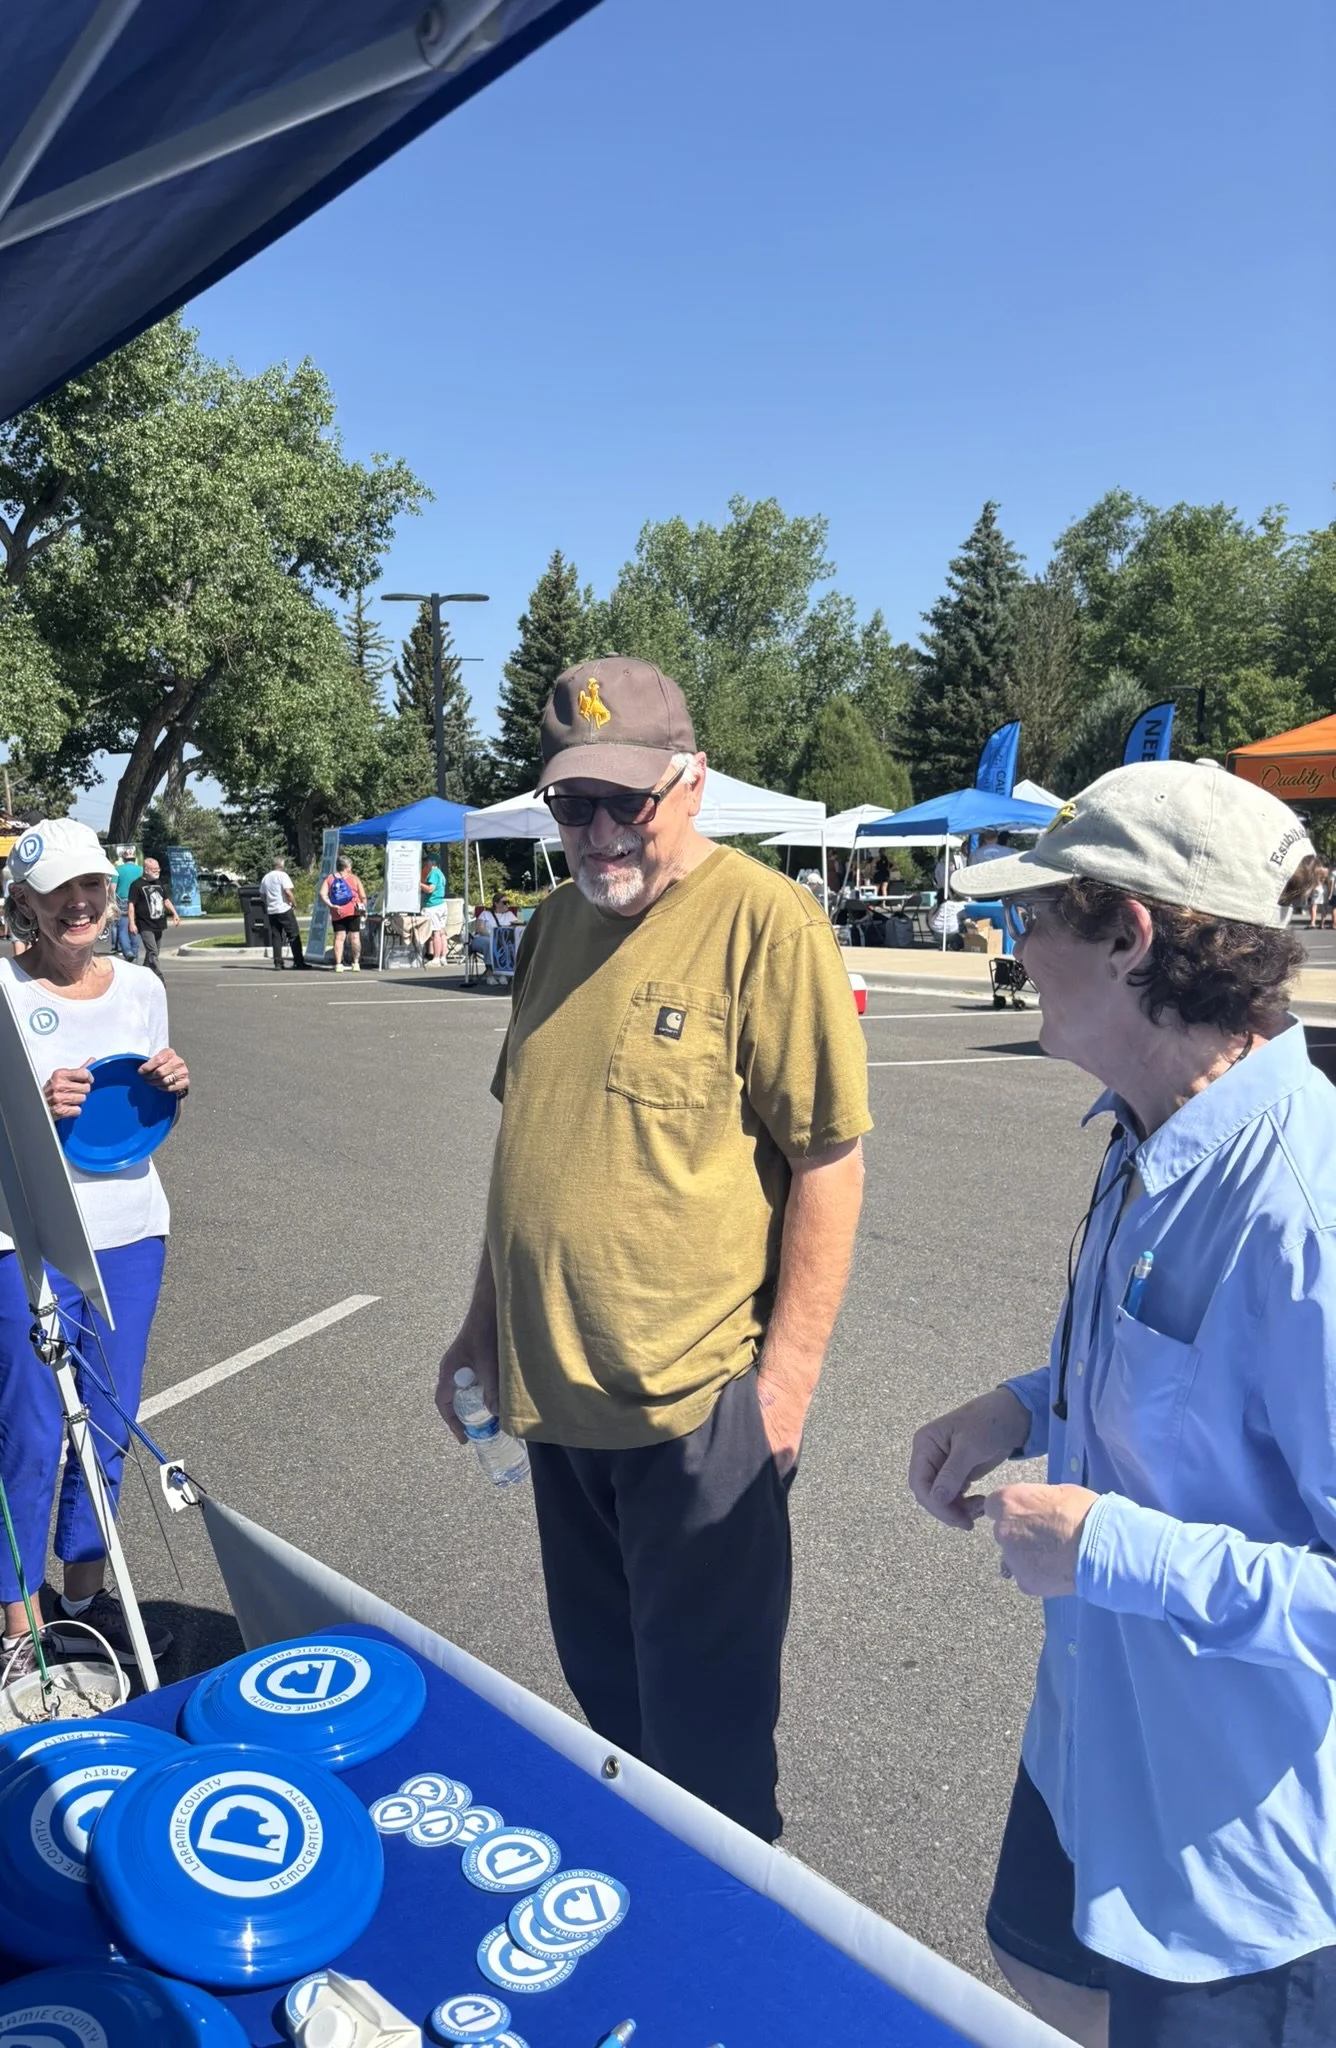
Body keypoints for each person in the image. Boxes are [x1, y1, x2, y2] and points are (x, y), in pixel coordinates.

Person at [908, 760, 1336, 2048]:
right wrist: (1021, 1405)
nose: (1013, 942)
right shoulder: (1147, 1123)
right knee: (1034, 1963)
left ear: (1130, 934)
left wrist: (1112, 1549)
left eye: (1037, 914)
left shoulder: (1303, 1209)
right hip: (1096, 1743)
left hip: (1232, 1852)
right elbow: (1186, 1378)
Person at [435, 655, 870, 1840]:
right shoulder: (549, 928)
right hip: (556, 1406)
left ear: (694, 782)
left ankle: (738, 2005)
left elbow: (829, 1160)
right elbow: (527, 1150)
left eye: (628, 799)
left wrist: (782, 1392)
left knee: (713, 1772)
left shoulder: (763, 921)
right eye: (573, 804)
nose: (599, 830)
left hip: (696, 1416)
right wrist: (481, 1321)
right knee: (616, 1733)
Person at [0, 818, 188, 1692]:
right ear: (24, 906)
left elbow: (135, 1115)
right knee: (32, 1434)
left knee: (106, 1427)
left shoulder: (144, 985)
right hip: (25, 1241)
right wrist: (27, 1105)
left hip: (132, 1230)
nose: (81, 906)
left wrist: (173, 1083)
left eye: (94, 888)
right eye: (60, 894)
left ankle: (85, 1596)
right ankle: (16, 1620)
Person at [127, 856, 177, 976]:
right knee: (152, 950)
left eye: (158, 869)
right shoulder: (136, 885)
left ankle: (144, 972)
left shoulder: (159, 884)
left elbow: (166, 901)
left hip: (159, 922)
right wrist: (132, 923)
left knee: (154, 952)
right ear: (146, 870)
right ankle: (158, 975)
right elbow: (131, 905)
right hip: (145, 924)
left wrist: (175, 913)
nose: (157, 872)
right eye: (154, 870)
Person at [319, 854, 366, 971]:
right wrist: (364, 908)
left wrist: (331, 905)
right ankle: (355, 963)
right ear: (347, 867)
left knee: (339, 938)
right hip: (353, 911)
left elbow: (322, 894)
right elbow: (363, 896)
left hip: (337, 912)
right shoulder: (354, 878)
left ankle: (339, 964)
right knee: (355, 937)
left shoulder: (330, 878)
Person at [260, 855, 306, 970]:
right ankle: (299, 961)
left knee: (276, 936)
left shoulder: (266, 877)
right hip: (284, 909)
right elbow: (288, 892)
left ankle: (278, 962)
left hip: (272, 910)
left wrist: (267, 904)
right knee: (293, 934)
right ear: (281, 865)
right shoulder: (282, 875)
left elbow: (262, 894)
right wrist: (294, 903)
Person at [111, 846, 143, 960]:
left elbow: (112, 887)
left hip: (122, 900)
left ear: (124, 859)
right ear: (134, 858)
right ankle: (135, 951)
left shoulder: (118, 870)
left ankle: (127, 951)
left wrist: (112, 901)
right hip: (138, 901)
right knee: (134, 925)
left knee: (122, 927)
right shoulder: (141, 870)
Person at [421, 853, 448, 962]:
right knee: (442, 932)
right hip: (441, 904)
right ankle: (443, 957)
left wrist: (419, 884)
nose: (425, 863)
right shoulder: (441, 874)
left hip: (433, 906)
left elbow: (430, 889)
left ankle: (436, 958)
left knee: (435, 932)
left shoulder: (433, 873)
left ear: (432, 863)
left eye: (427, 861)